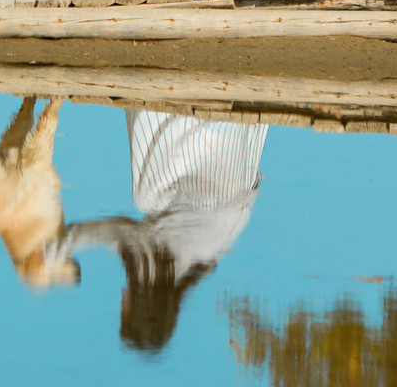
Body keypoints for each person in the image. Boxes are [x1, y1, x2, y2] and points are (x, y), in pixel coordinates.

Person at [46, 110, 268, 352]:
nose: (122, 301)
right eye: (125, 309)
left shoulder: (194, 270)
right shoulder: (155, 269)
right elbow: (117, 233)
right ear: (141, 308)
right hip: (214, 175)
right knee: (146, 199)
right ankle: (160, 108)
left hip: (239, 167)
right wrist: (57, 247)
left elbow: (124, 240)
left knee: (155, 205)